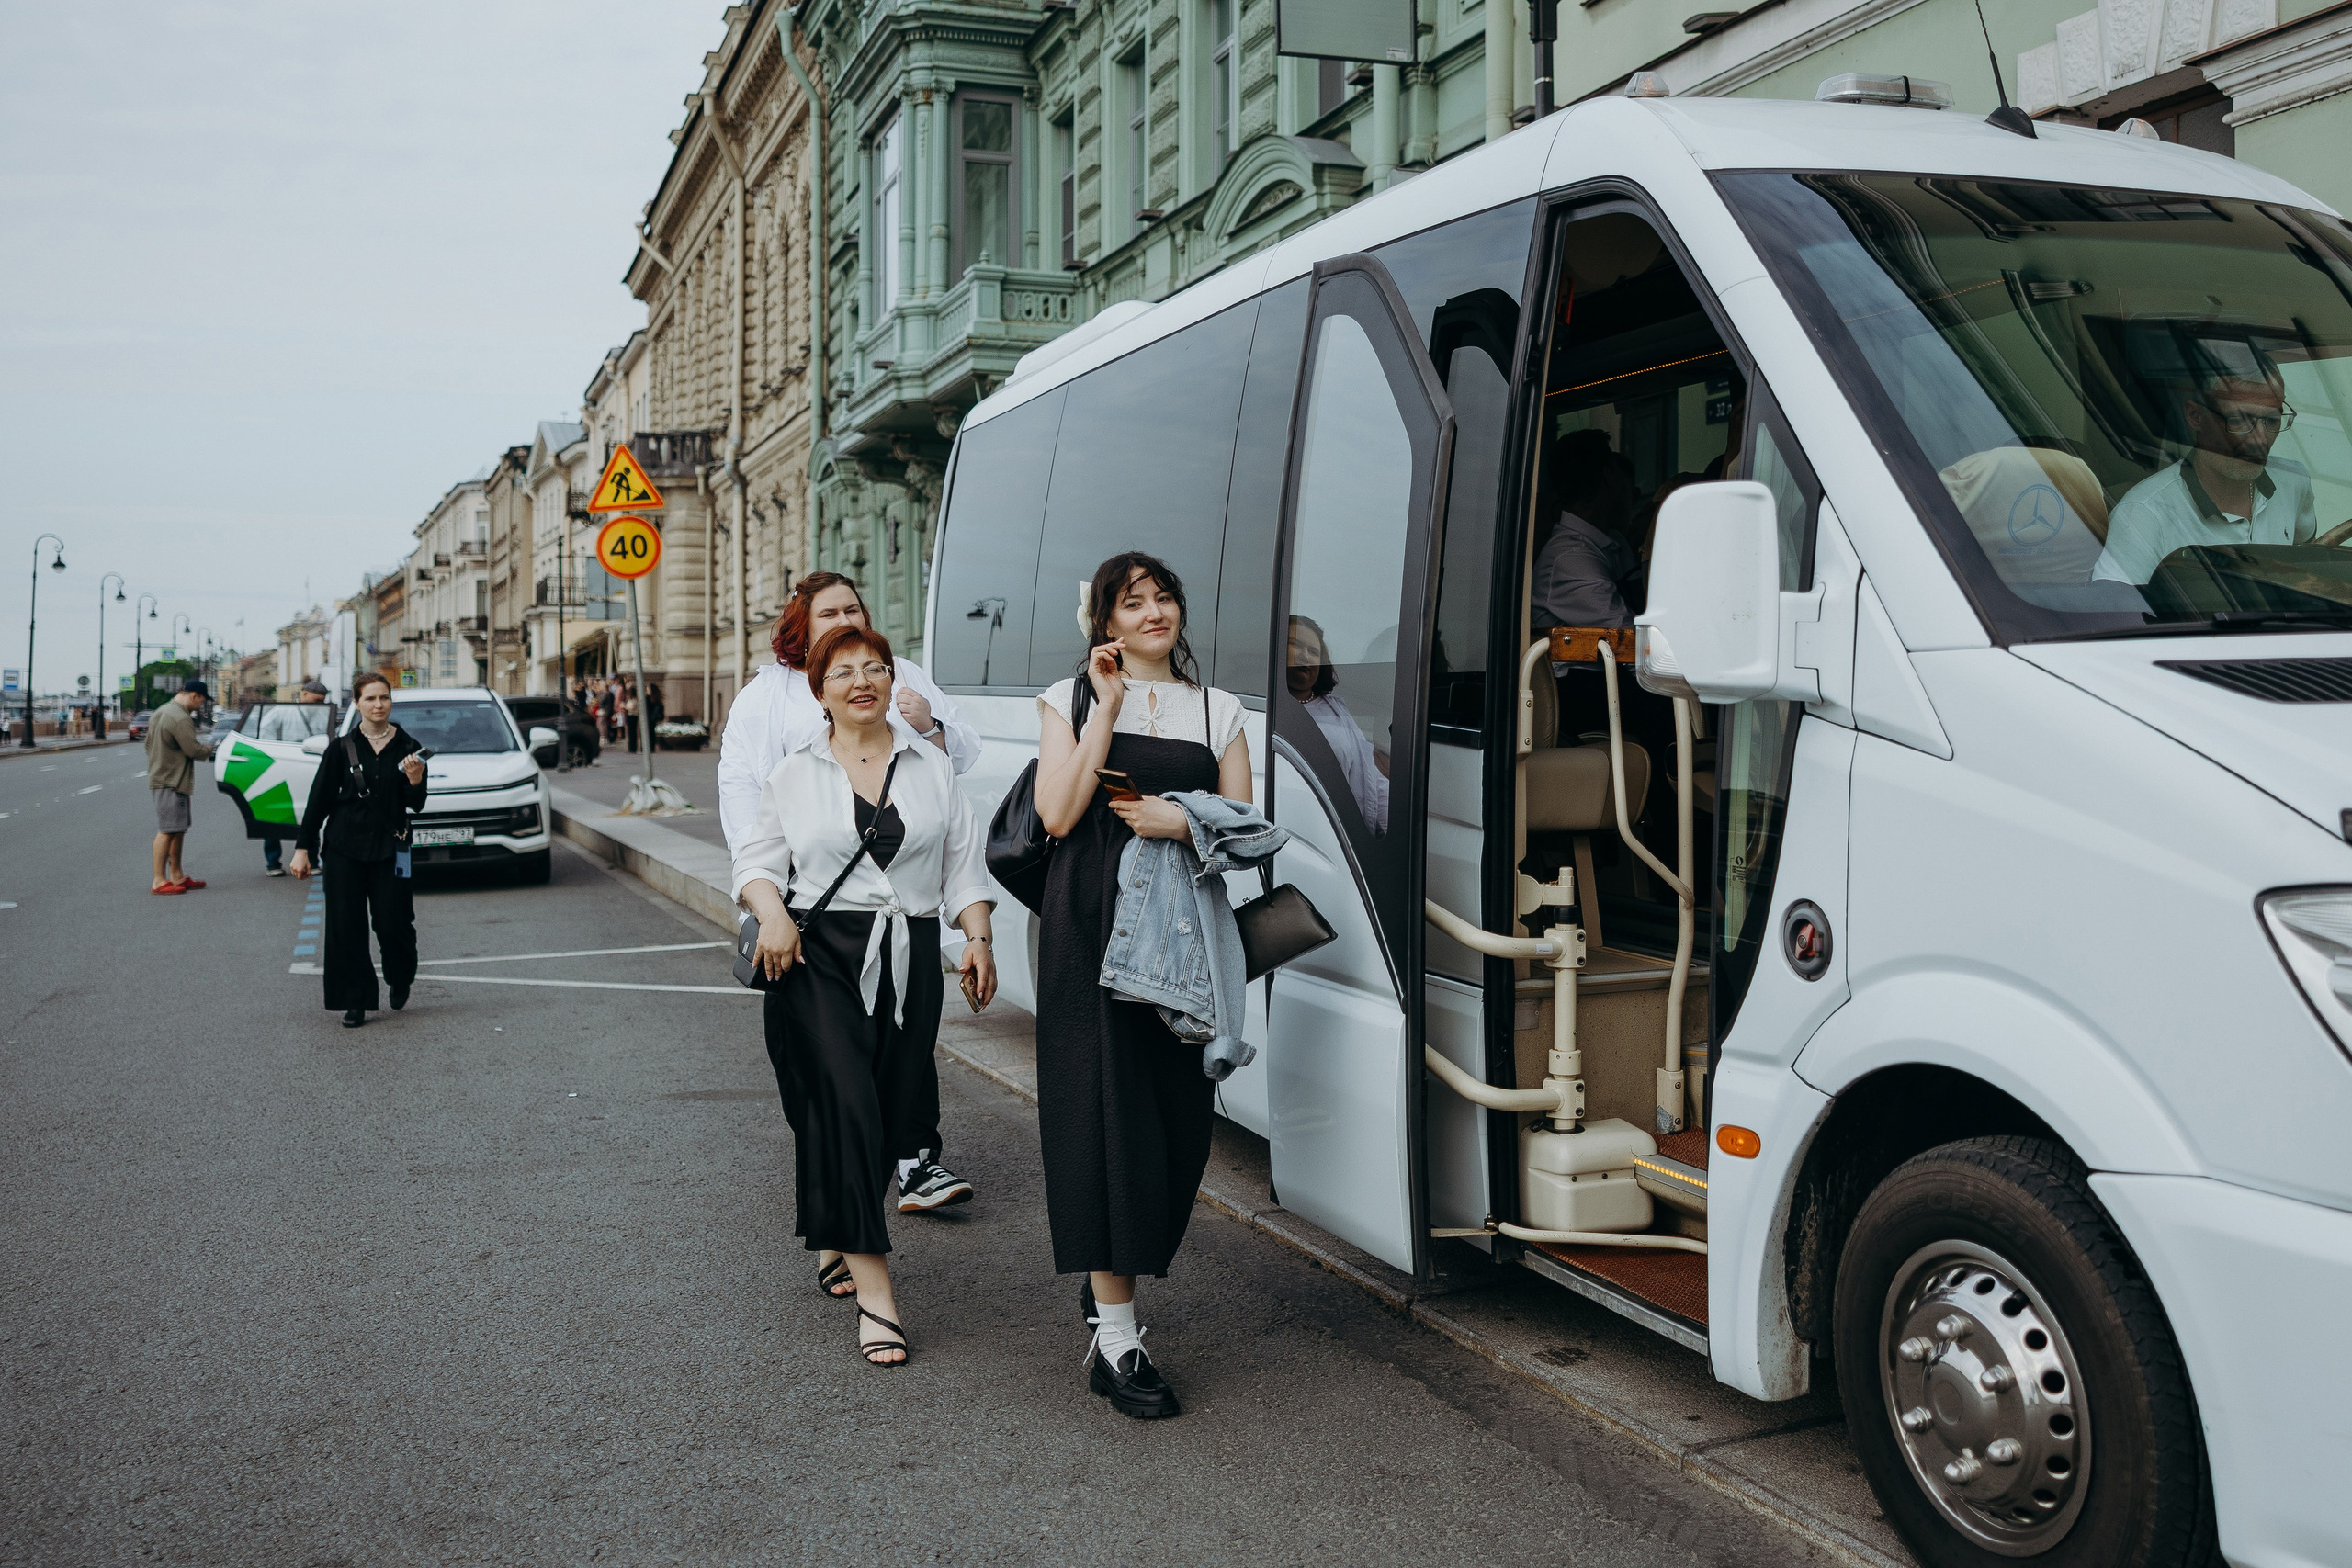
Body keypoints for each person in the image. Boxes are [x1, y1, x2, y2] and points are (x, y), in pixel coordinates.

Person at [734, 623, 998, 1367]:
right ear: (819, 691)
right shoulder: (794, 772)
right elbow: (755, 863)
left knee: (885, 1111)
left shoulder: (930, 766)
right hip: (816, 958)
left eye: (876, 667)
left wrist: (978, 936)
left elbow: (962, 863)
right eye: (844, 670)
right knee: (845, 1103)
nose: (863, 680)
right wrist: (773, 914)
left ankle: (834, 1235)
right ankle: (877, 1292)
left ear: (892, 680)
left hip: (910, 953)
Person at [1030, 550, 1253, 1419]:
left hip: (1184, 936)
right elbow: (1056, 813)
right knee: (1104, 1116)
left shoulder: (1219, 708)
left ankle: (1109, 1281)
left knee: (1174, 1126)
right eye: (1132, 603)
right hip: (1090, 925)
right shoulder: (1071, 698)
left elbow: (1247, 829)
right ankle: (1117, 1339)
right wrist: (1108, 706)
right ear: (1106, 623)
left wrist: (1181, 819)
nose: (1153, 612)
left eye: (1164, 597)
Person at [718, 570, 983, 1214]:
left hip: (897, 897)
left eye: (853, 609)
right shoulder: (767, 697)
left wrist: (930, 723)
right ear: (802, 630)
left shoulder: (898, 673)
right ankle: (838, 1182)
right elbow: (745, 795)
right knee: (821, 1067)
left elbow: (953, 766)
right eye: (828, 613)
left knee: (903, 1049)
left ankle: (910, 1161)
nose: (845, 622)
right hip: (808, 910)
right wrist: (767, 899)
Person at [2094, 366, 2345, 585]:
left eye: (2272, 421)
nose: (2259, 440)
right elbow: (2116, 612)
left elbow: (2308, 561)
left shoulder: (2293, 482)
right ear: (2196, 417)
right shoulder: (2143, 514)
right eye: (2238, 420)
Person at [288, 672, 428, 1029]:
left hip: (390, 847)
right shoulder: (341, 747)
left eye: (384, 698)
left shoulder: (408, 746)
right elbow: (319, 799)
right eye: (370, 699)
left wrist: (415, 780)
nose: (378, 705)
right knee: (345, 926)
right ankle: (355, 1000)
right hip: (344, 848)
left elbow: (417, 803)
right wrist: (303, 848)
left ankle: (400, 976)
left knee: (393, 922)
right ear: (357, 703)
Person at [1285, 615, 1387, 833]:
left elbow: (1370, 775)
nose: (1305, 655)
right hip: (1290, 822)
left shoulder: (1338, 712)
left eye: (1313, 651)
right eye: (1296, 645)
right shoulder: (1260, 706)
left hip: (1336, 832)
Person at [145, 678, 215, 895]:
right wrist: (211, 749)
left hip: (164, 776)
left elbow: (147, 745)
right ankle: (159, 880)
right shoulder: (181, 717)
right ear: (194, 696)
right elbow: (192, 750)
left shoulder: (161, 711)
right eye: (201, 701)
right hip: (172, 780)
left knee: (177, 829)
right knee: (167, 830)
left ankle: (176, 875)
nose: (200, 706)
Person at [259, 679, 333, 875]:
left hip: (310, 769)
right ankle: (273, 862)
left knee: (312, 813)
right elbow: (266, 736)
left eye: (322, 701)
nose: (319, 705)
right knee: (275, 815)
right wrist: (279, 753)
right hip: (281, 768)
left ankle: (312, 861)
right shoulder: (281, 712)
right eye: (316, 700)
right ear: (304, 695)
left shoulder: (324, 715)